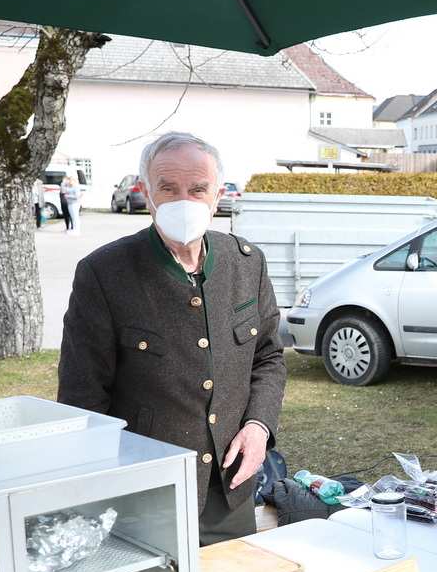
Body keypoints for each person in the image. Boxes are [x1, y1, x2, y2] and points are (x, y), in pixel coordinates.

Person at [58, 132, 288, 546]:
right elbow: (82, 396)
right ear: (147, 193)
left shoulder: (246, 263)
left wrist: (258, 427)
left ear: (218, 195)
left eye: (198, 189)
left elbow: (268, 357)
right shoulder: (104, 274)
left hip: (229, 487)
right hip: (146, 497)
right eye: (168, 188)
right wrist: (100, 489)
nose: (185, 201)